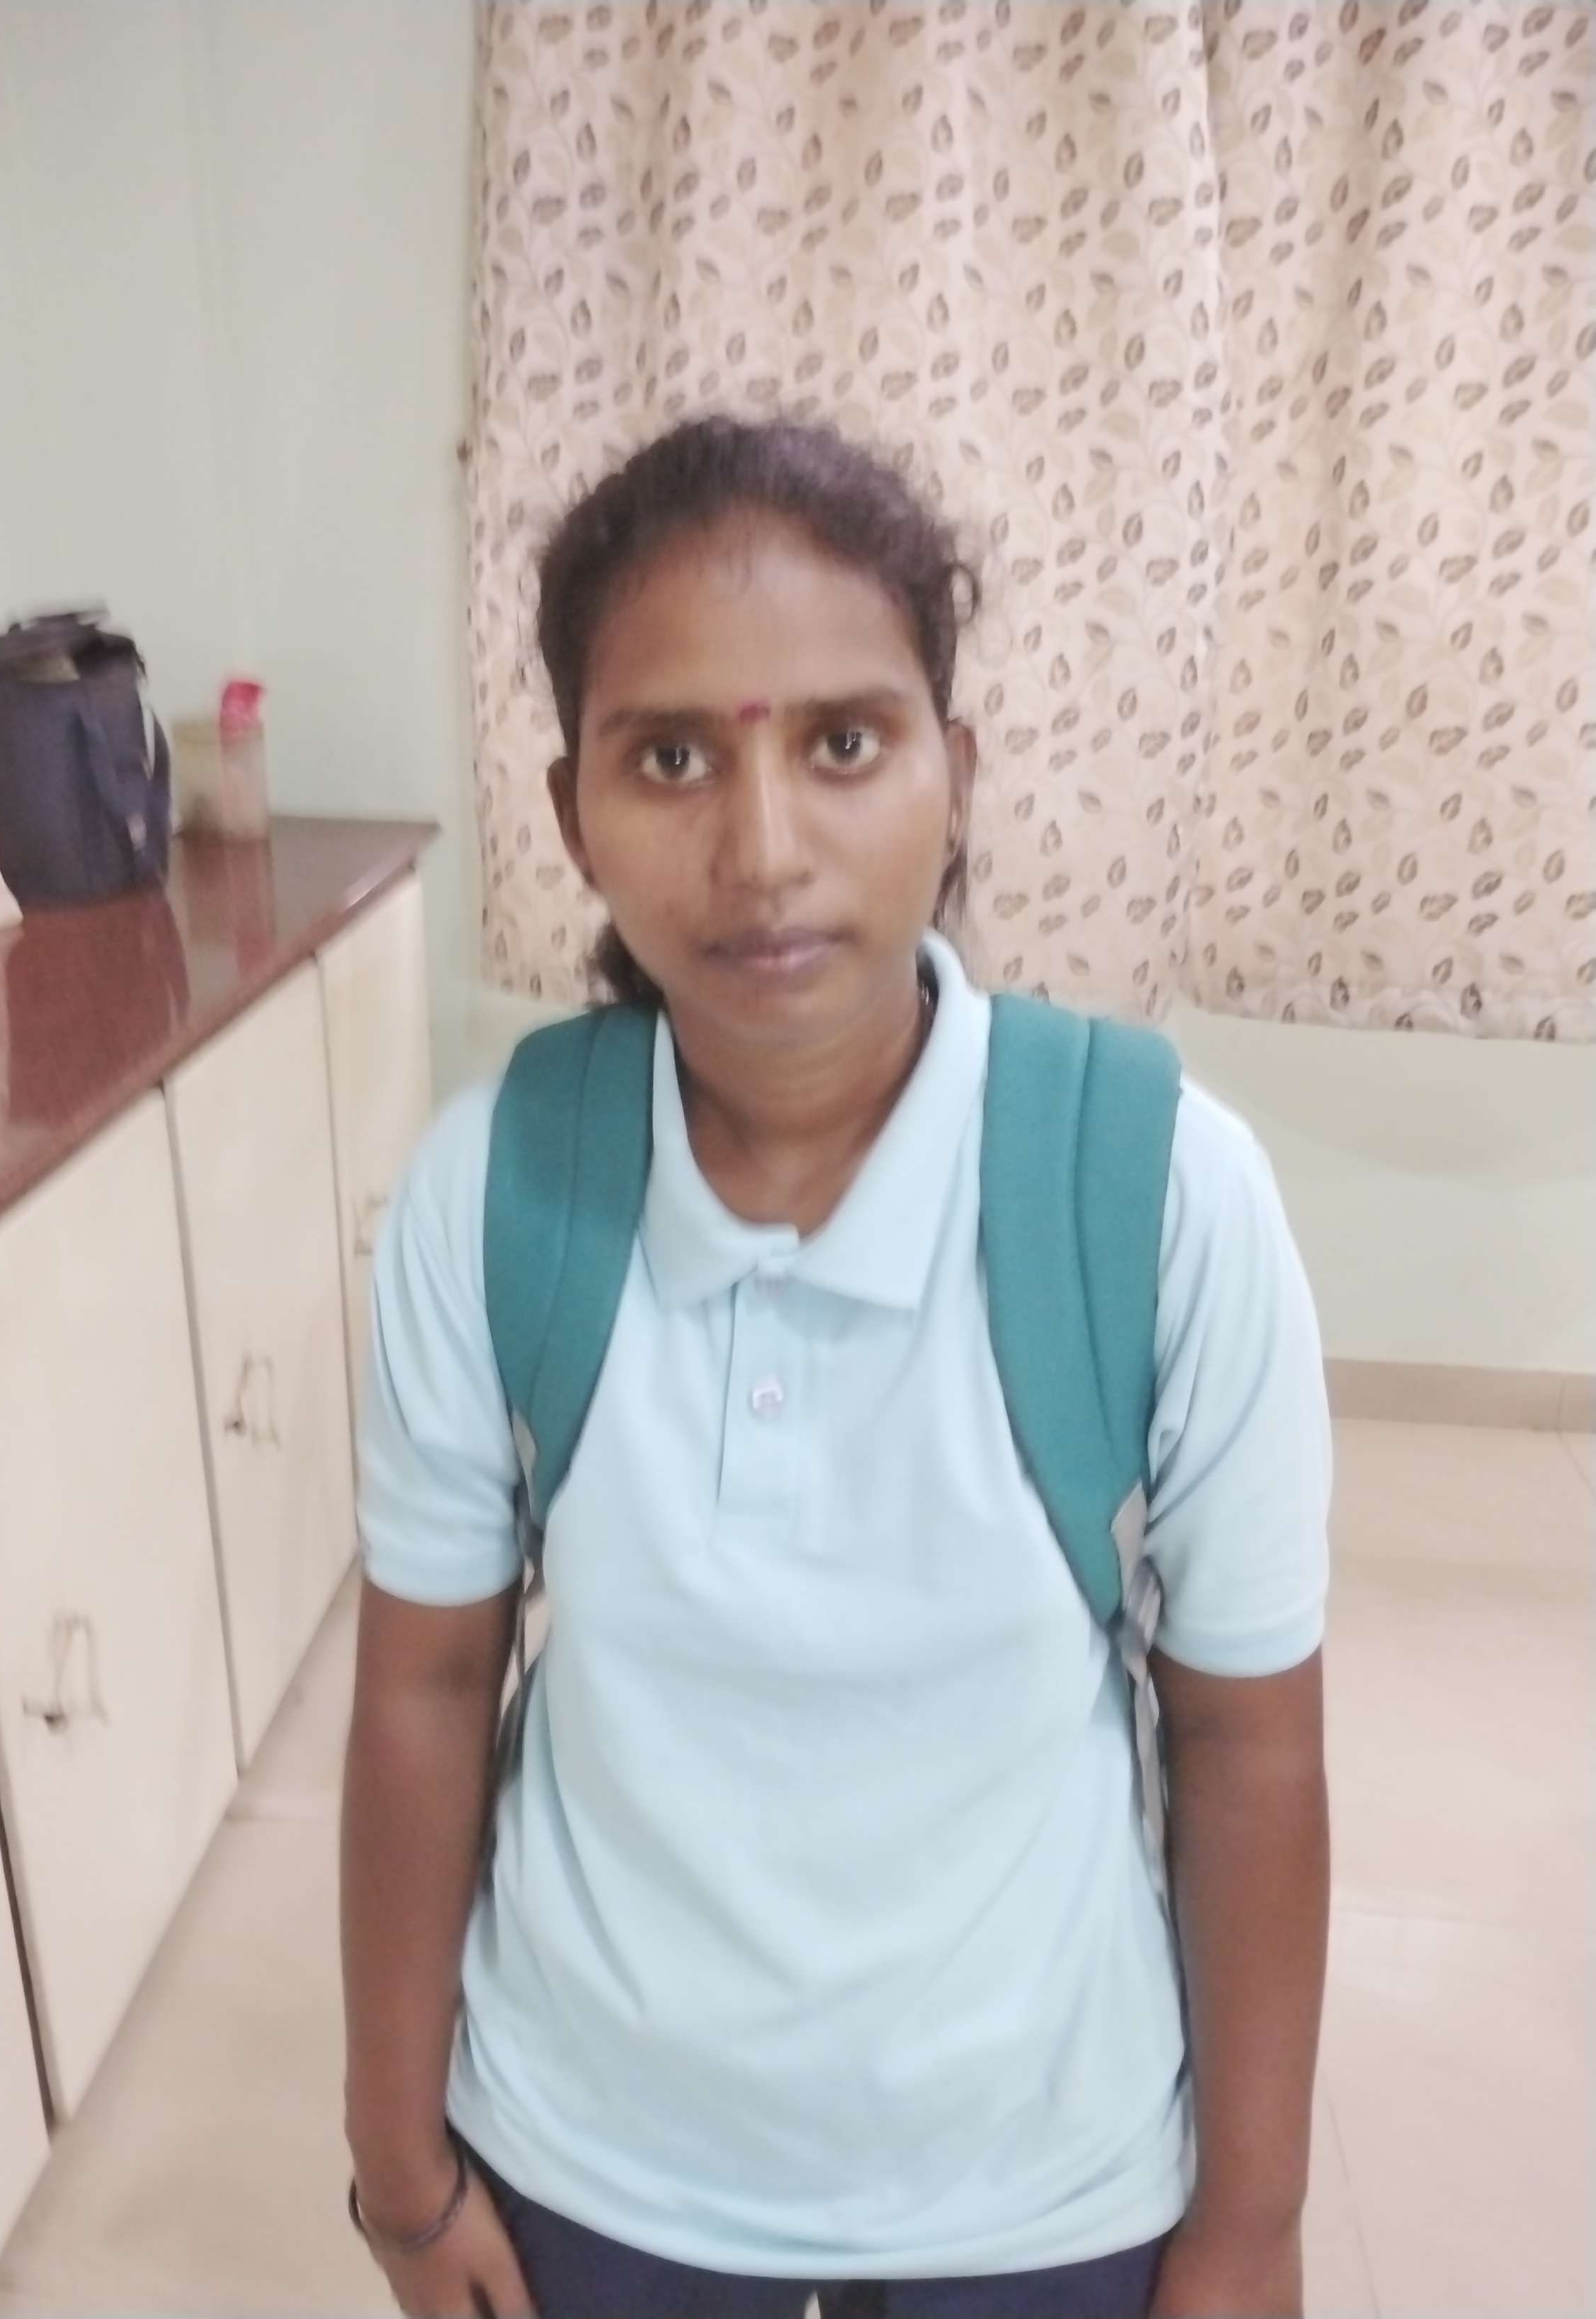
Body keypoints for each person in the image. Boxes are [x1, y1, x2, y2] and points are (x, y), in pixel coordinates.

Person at [340, 415, 1331, 2319]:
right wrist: (400, 2166)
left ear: (956, 778)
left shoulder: (1155, 1191)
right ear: (571, 813)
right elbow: (428, 1685)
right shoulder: (497, 1186)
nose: (764, 849)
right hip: (591, 2159)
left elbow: (1246, 1738)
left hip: (1041, 2173)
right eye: (671, 757)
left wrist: (1251, 2224)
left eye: (845, 744)